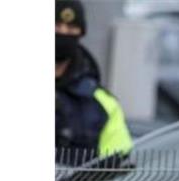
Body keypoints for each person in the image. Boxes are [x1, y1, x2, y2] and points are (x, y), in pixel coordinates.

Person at [55, 0, 133, 163]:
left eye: (71, 28)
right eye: (56, 26)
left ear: (80, 34)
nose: (63, 32)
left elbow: (118, 163)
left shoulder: (102, 103)